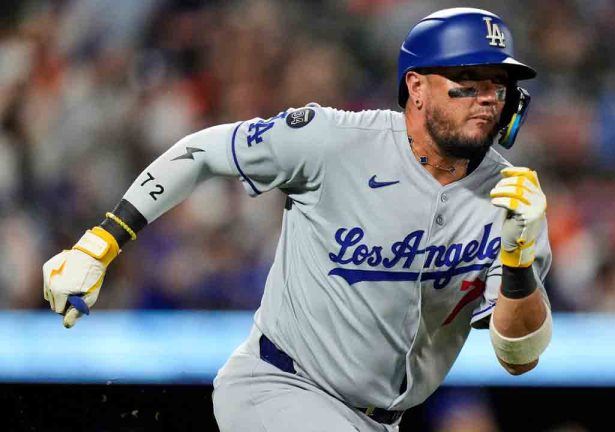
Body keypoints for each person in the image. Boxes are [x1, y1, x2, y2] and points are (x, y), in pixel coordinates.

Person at [42, 7, 553, 432]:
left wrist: (517, 259)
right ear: (416, 87)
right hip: (279, 387)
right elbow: (201, 152)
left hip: (380, 421)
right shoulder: (335, 141)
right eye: (467, 80)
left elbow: (519, 356)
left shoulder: (514, 202)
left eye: (498, 84)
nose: (487, 98)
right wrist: (101, 242)